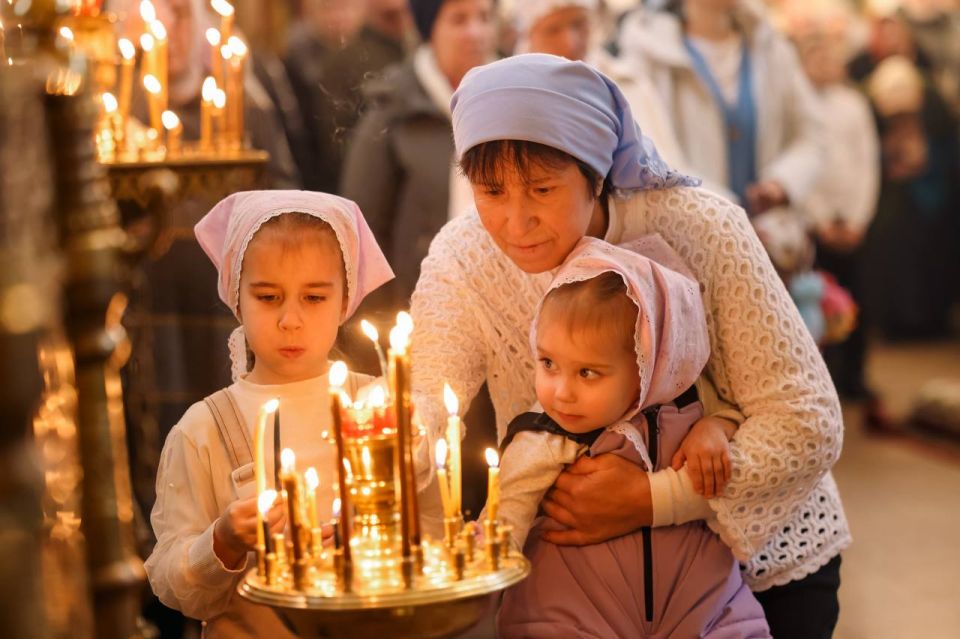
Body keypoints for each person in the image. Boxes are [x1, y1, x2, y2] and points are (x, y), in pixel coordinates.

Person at [410, 54, 848, 639]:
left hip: (757, 572)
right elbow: (425, 405)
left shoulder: (700, 228)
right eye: (490, 191)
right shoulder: (463, 258)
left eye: (542, 189)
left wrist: (652, 497)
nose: (515, 221)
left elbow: (808, 420)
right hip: (584, 590)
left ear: (595, 175)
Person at [144, 191, 394, 637]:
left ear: (345, 300)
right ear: (236, 298)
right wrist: (222, 542)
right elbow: (172, 584)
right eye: (268, 297)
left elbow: (431, 532)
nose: (290, 320)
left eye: (313, 297)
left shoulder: (380, 407)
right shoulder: (206, 428)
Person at [493, 237, 770, 637]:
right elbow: (506, 515)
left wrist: (715, 429)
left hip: (703, 608)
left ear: (648, 366)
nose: (561, 392)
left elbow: (738, 418)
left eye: (587, 372)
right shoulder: (544, 436)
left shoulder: (692, 402)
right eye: (548, 363)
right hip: (571, 614)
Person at [340, 0, 497, 311]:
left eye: (484, 17)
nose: (476, 32)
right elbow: (364, 229)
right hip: (419, 304)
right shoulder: (393, 109)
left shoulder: (513, 99)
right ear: (430, 30)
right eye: (459, 20)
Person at [617, 0, 826, 215]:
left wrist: (782, 182)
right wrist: (721, 210)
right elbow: (651, 153)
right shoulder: (649, 54)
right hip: (693, 224)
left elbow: (812, 134)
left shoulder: (772, 48)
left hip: (771, 229)